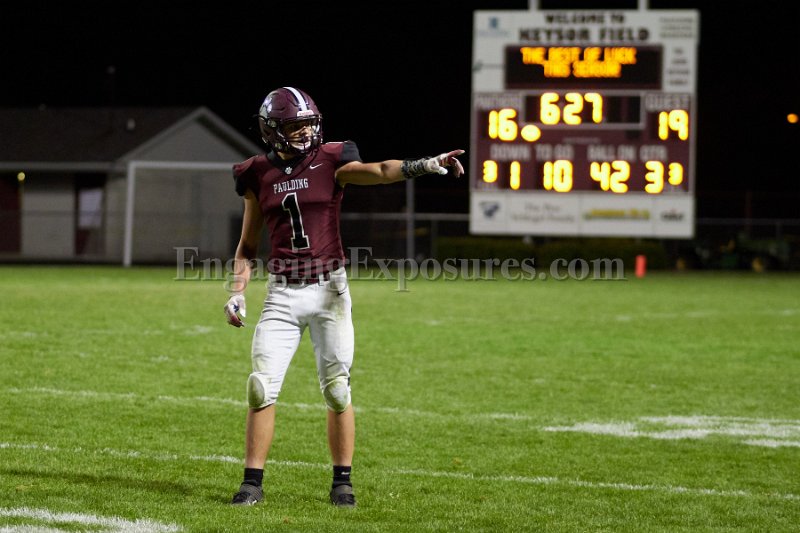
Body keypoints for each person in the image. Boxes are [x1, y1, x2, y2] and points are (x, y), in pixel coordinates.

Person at [223, 86, 464, 507]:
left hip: (329, 292)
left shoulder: (332, 159)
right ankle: (252, 483)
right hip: (282, 294)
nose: (304, 133)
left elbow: (381, 170)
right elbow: (247, 246)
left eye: (308, 124)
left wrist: (425, 164)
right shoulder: (256, 173)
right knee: (260, 387)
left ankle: (342, 483)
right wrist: (237, 292)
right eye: (294, 126)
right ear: (272, 130)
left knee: (336, 390)